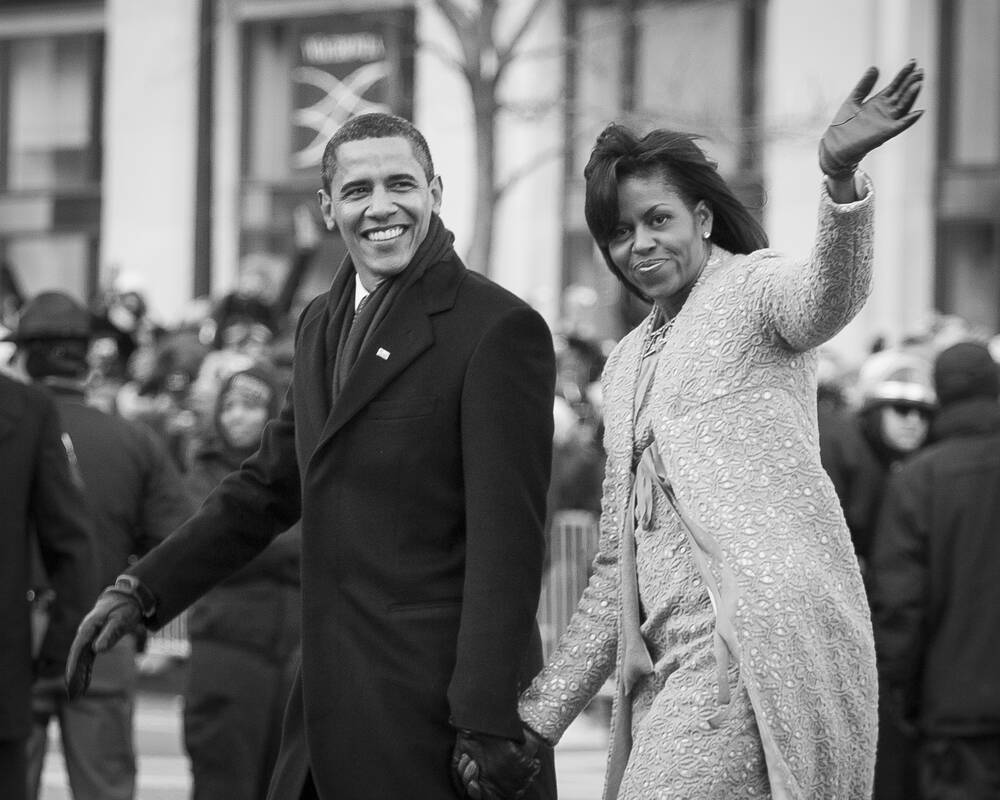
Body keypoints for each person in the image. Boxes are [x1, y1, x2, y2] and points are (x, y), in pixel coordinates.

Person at [66, 111, 557, 800]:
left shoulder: (499, 329)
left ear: (436, 193)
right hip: (326, 713)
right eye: (358, 191)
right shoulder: (320, 324)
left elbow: (509, 546)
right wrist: (144, 590)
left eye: (401, 184)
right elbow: (266, 487)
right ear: (329, 209)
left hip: (440, 727)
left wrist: (486, 718)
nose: (381, 207)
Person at [508, 61, 926, 799]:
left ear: (701, 218)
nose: (638, 245)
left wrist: (839, 180)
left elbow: (828, 295)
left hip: (759, 650)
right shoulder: (627, 362)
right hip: (667, 669)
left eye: (657, 219)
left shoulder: (754, 287)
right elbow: (615, 567)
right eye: (618, 233)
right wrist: (541, 716)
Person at [6, 290, 194, 800]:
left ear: (22, 356)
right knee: (105, 788)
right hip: (99, 624)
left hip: (14, 629)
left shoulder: (10, 429)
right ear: (88, 358)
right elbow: (178, 538)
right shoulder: (132, 441)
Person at [870, 340, 1000, 800]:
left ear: (940, 395)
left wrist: (896, 691)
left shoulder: (921, 479)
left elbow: (900, 604)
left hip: (954, 711)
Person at [182, 364, 302, 800]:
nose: (235, 416)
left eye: (250, 407)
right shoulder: (203, 473)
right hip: (226, 655)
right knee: (224, 783)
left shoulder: (302, 474)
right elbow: (213, 546)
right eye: (228, 406)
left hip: (293, 659)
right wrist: (290, 544)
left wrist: (256, 539)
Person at [0, 372, 97, 800]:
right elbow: (71, 544)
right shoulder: (27, 408)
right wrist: (54, 653)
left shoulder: (28, 408)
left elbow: (71, 545)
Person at [820, 346, 937, 569]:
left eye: (924, 413)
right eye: (902, 409)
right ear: (874, 411)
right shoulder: (840, 450)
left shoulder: (910, 462)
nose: (914, 421)